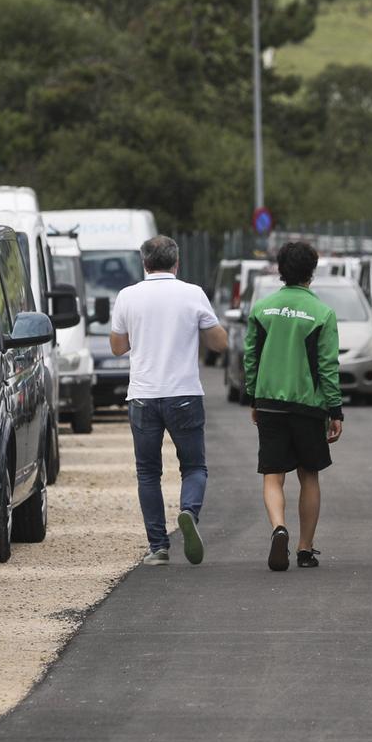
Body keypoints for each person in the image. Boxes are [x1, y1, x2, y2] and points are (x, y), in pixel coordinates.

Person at [110, 235, 229, 566]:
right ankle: (189, 511)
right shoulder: (192, 294)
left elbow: (117, 347)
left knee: (148, 473)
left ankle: (158, 547)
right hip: (184, 393)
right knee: (194, 466)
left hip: (143, 396)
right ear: (177, 262)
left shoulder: (127, 296)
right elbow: (220, 343)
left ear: (144, 263)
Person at [242, 239, 343, 572]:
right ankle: (304, 548)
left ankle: (278, 528)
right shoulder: (322, 314)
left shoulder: (262, 309)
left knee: (273, 475)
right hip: (307, 405)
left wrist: (254, 396)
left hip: (269, 401)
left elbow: (251, 356)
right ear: (311, 272)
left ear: (280, 270)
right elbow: (328, 366)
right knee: (308, 475)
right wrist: (335, 409)